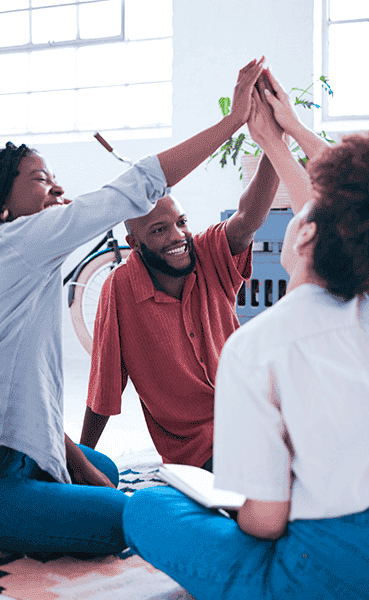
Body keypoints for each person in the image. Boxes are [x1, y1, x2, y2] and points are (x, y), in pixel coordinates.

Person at [122, 69, 369, 598]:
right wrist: (279, 137)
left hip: (325, 575)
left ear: (304, 234)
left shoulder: (256, 347)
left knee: (148, 506)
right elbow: (350, 215)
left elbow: (265, 523)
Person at [0, 57, 267, 556]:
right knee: (130, 518)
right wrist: (233, 121)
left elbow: (29, 402)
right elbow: (135, 187)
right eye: (41, 179)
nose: (58, 188)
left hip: (20, 451)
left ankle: (43, 499)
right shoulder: (18, 243)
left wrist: (82, 469)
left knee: (107, 472)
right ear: (2, 205)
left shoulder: (20, 261)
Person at [79, 78, 282, 472]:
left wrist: (275, 140)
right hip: (199, 450)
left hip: (255, 413)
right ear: (134, 243)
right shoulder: (120, 289)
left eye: (181, 222)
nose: (178, 236)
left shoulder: (206, 252)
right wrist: (81, 460)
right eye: (159, 230)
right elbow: (105, 384)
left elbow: (249, 217)